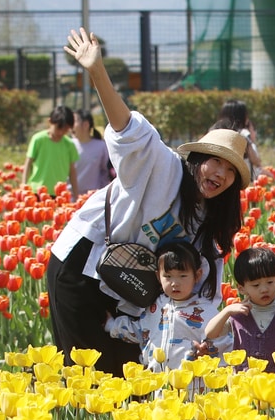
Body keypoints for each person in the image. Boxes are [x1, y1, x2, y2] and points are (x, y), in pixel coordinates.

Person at [45, 27, 249, 376]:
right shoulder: (164, 168)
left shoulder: (207, 222)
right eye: (214, 160)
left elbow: (204, 288)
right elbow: (127, 129)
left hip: (131, 288)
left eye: (230, 171)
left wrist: (206, 336)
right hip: (84, 264)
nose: (219, 173)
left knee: (130, 373)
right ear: (197, 158)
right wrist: (97, 71)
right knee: (88, 374)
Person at [104, 240, 225, 372]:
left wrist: (207, 351)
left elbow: (223, 340)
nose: (175, 283)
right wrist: (112, 325)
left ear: (197, 275)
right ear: (158, 276)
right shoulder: (155, 306)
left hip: (190, 381)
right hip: (157, 381)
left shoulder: (207, 311)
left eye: (183, 276)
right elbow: (140, 331)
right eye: (167, 276)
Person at [203, 246, 275, 376]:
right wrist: (226, 311)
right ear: (241, 288)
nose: (264, 289)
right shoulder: (238, 314)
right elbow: (210, 333)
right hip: (245, 385)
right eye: (256, 285)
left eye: (270, 282)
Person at [23, 105, 80, 197]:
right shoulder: (38, 139)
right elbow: (28, 164)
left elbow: (72, 172)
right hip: (36, 190)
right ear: (50, 122)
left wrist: (76, 194)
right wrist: (24, 186)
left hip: (58, 194)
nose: (61, 132)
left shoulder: (69, 144)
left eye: (65, 130)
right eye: (58, 128)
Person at [211, 99, 264, 180]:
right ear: (241, 116)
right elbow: (253, 158)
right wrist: (258, 162)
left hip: (217, 174)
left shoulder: (214, 131)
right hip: (239, 178)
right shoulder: (243, 133)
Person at [71, 109, 113, 194]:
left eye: (73, 121)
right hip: (69, 198)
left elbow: (106, 172)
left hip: (93, 197)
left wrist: (102, 192)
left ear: (86, 124)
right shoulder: (69, 145)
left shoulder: (101, 146)